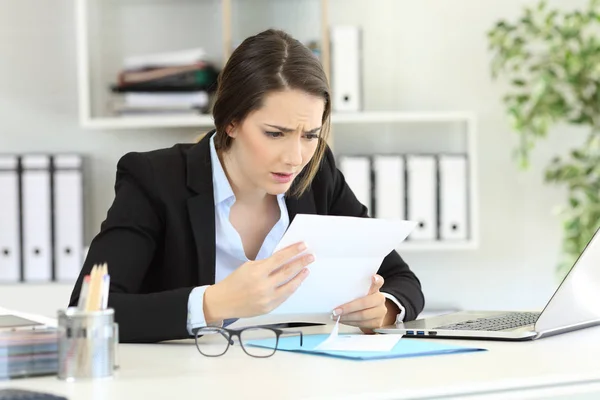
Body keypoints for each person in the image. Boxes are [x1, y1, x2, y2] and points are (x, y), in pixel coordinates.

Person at [68, 29, 425, 343]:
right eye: (275, 134)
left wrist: (384, 310)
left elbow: (401, 279)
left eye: (310, 135)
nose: (295, 157)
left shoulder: (318, 174)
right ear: (231, 122)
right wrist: (215, 302)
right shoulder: (154, 178)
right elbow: (91, 308)